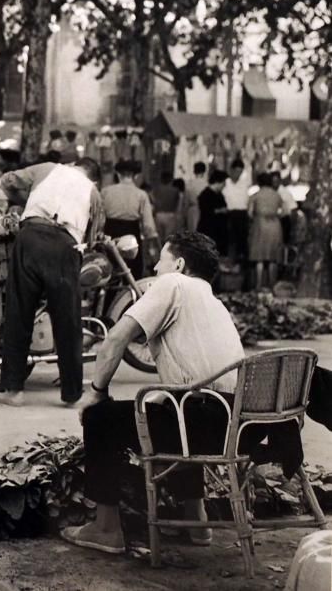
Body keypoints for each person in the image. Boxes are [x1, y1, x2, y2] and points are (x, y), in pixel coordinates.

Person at [62, 232, 244, 554]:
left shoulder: (173, 284)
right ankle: (196, 519)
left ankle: (105, 529)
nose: (156, 269)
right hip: (236, 427)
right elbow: (202, 377)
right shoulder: (214, 303)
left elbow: (116, 338)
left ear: (179, 264)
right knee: (177, 407)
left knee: (100, 417)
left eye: (160, 260)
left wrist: (96, 392)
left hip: (200, 423)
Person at [0, 157, 104, 407]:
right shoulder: (93, 192)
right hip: (66, 247)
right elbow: (94, 235)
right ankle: (72, 394)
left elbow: (8, 180)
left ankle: (13, 390)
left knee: (19, 313)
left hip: (30, 237)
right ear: (93, 177)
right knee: (68, 322)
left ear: (72, 164)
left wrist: (24, 200)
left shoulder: (47, 169)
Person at [101, 159, 158, 278]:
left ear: (118, 174)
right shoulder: (141, 194)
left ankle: (109, 295)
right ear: (135, 176)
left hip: (110, 232)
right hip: (131, 233)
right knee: (132, 271)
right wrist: (151, 241)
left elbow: (100, 217)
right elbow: (148, 224)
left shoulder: (106, 191)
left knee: (109, 270)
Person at [247, 172, 284, 290]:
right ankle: (272, 285)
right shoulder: (277, 195)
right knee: (273, 256)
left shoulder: (255, 195)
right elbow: (283, 212)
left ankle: (258, 285)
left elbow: (249, 212)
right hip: (275, 225)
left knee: (259, 256)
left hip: (260, 224)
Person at [223, 159, 250, 263]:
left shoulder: (244, 184)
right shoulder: (225, 183)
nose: (238, 174)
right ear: (231, 170)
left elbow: (246, 200)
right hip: (229, 215)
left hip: (242, 215)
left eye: (240, 172)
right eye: (236, 171)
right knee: (230, 242)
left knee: (241, 245)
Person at [197, 169, 229, 256]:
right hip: (209, 228)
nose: (224, 186)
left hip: (218, 228)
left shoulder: (220, 194)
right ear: (218, 182)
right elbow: (205, 210)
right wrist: (219, 210)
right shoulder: (205, 194)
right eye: (223, 183)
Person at [151, 171, 181, 243]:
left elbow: (153, 201)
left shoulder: (156, 189)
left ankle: (160, 251)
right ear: (171, 179)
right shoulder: (175, 190)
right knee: (169, 238)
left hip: (159, 214)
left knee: (159, 237)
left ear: (161, 179)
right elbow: (178, 204)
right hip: (170, 215)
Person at [184, 162, 207, 232]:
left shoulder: (189, 184)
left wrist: (184, 214)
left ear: (194, 171)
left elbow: (186, 200)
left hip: (192, 209)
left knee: (192, 232)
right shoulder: (206, 184)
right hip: (204, 210)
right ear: (204, 171)